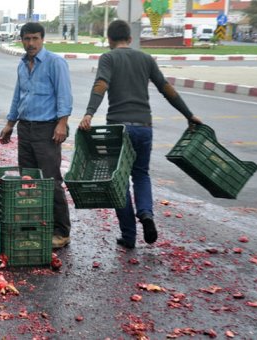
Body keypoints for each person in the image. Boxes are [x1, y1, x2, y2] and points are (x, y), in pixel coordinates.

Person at [78, 20, 203, 249]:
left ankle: (128, 237)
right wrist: (189, 114)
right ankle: (146, 213)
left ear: (109, 40)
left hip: (119, 129)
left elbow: (101, 84)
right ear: (130, 39)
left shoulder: (109, 58)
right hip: (144, 126)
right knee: (141, 174)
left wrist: (89, 113)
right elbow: (166, 88)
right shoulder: (146, 59)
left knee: (120, 182)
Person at [0, 22, 73, 249]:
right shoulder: (22, 65)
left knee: (50, 181)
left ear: (42, 39)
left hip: (47, 130)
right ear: (21, 39)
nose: (30, 43)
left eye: (35, 39)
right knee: (28, 180)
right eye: (27, 39)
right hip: (25, 128)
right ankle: (37, 227)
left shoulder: (55, 62)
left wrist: (62, 124)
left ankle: (61, 231)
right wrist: (10, 124)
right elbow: (17, 97)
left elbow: (64, 95)